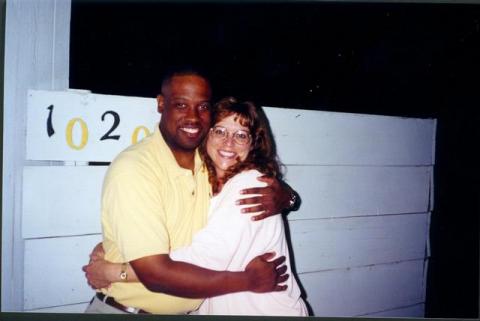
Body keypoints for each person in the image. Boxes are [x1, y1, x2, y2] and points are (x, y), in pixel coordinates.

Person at [83, 68, 300, 314]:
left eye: (241, 135)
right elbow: (156, 270)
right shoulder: (138, 168)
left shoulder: (223, 174)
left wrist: (287, 196)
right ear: (161, 104)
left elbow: (197, 252)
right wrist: (112, 247)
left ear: (254, 143)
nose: (194, 117)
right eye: (181, 105)